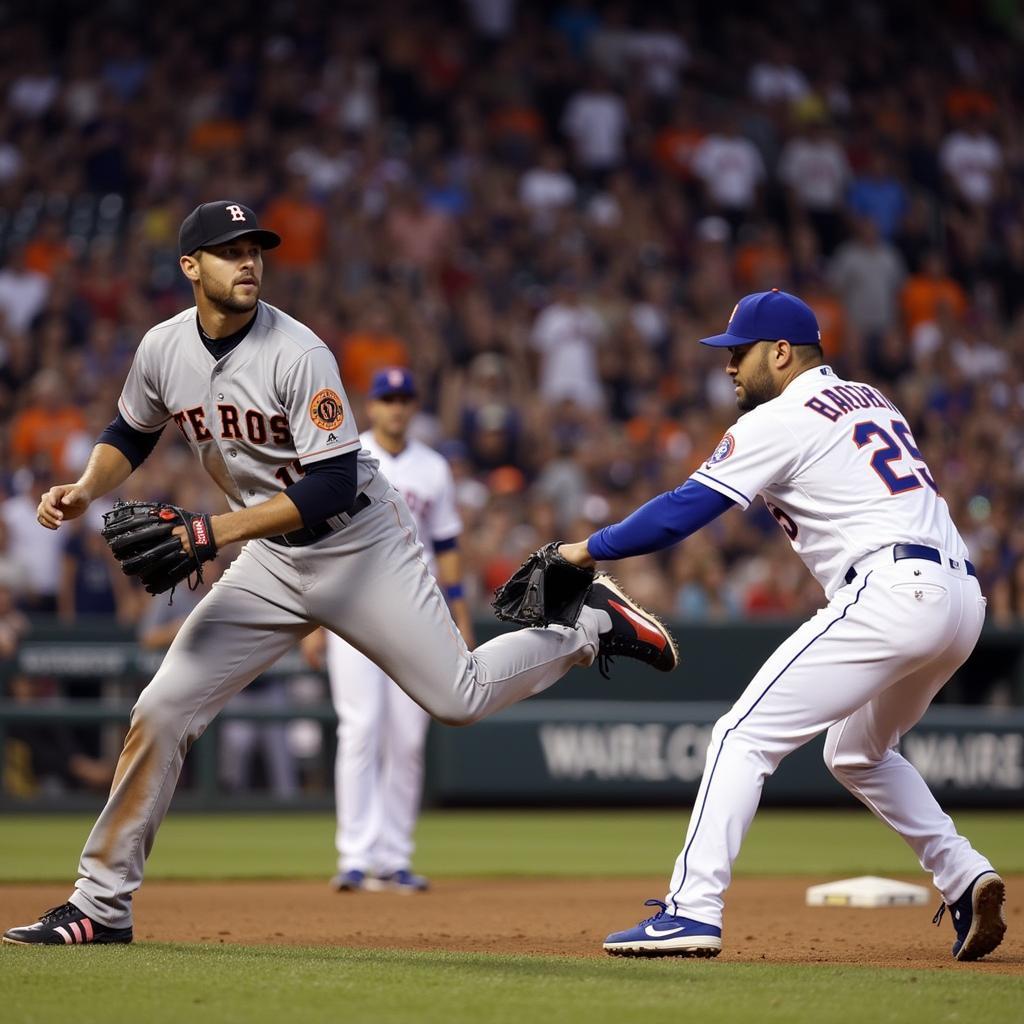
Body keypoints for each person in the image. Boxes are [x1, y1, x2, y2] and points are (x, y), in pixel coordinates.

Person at [2, 200, 675, 946]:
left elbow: (327, 485)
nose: (249, 261)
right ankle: (101, 905)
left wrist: (212, 531)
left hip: (360, 544)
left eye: (256, 248)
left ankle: (587, 627)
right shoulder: (163, 349)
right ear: (190, 267)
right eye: (229, 251)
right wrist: (87, 488)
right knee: (161, 710)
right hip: (269, 557)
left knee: (458, 696)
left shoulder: (299, 351)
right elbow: (132, 428)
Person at [556, 289, 1006, 963]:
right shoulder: (870, 398)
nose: (729, 367)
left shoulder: (783, 415)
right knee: (857, 752)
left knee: (740, 736)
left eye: (739, 354)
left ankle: (690, 911)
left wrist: (583, 550)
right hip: (960, 598)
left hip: (892, 590)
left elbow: (683, 510)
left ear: (781, 352)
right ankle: (966, 876)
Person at [303, 368, 473, 893]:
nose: (397, 407)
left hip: (416, 612)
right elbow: (317, 538)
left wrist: (461, 618)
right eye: (387, 398)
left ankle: (394, 856)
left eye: (405, 398)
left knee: (407, 738)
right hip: (352, 607)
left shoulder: (433, 467)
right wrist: (313, 619)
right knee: (360, 729)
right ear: (370, 407)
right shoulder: (346, 458)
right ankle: (354, 856)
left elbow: (446, 547)